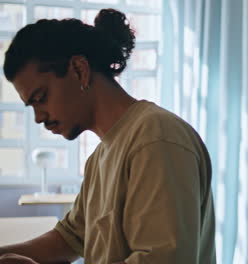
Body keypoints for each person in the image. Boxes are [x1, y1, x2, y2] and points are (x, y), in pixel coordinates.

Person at [0, 8, 216, 264]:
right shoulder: (100, 157)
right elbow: (70, 238)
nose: (38, 117)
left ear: (79, 70)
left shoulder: (155, 139)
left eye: (40, 98)